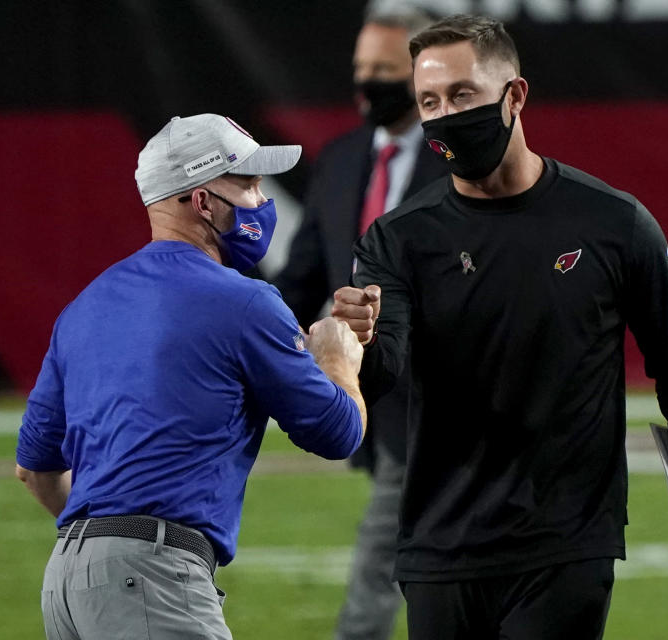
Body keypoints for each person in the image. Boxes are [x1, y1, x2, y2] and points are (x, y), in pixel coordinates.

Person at [331, 15, 668, 640]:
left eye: (463, 95)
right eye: (429, 101)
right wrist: (357, 341)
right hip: (440, 545)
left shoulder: (615, 224)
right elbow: (387, 370)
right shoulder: (398, 240)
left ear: (516, 96)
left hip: (568, 544)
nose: (445, 115)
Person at [15, 113, 367, 640]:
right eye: (246, 183)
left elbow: (35, 471)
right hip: (149, 577)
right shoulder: (243, 301)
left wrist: (107, 540)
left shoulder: (83, 308)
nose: (261, 200)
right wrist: (339, 358)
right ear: (202, 201)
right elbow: (338, 433)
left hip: (66, 579)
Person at [271, 10, 444, 640]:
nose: (368, 84)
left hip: (441, 399)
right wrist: (250, 343)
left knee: (383, 549)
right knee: (429, 550)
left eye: (385, 71)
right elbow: (303, 275)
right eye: (362, 70)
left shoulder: (467, 161)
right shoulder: (342, 159)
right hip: (366, 392)